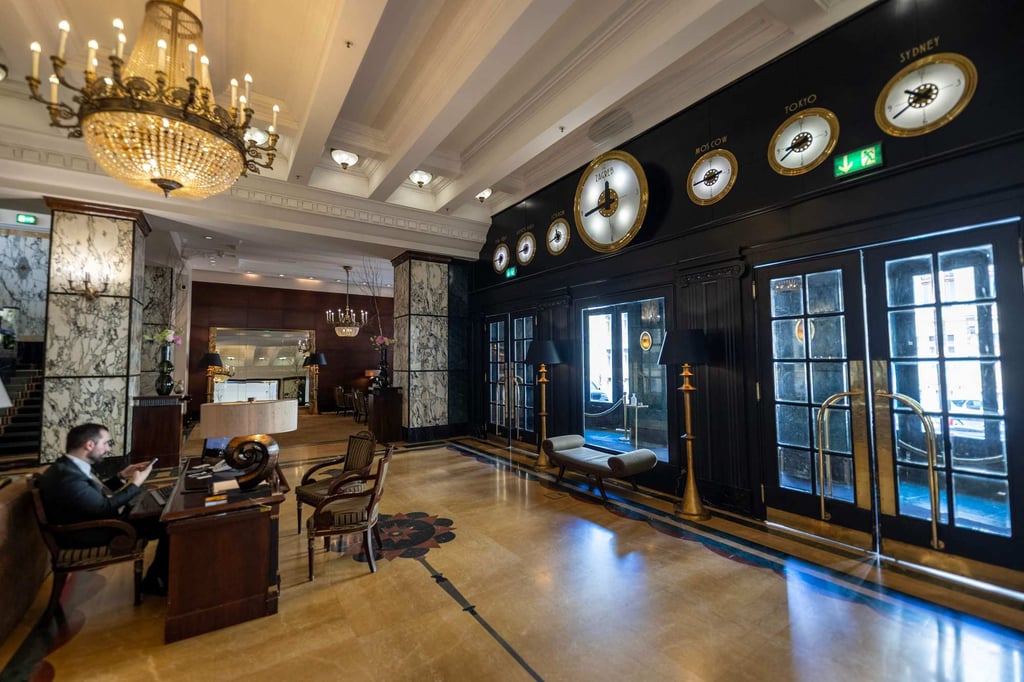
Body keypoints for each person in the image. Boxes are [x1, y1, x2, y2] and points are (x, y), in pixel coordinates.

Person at [36, 423, 169, 596]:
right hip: (88, 533)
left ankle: (156, 578)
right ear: (89, 445)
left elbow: (92, 495)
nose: (107, 449)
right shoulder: (68, 477)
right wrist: (136, 483)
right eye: (106, 443)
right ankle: (155, 582)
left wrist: (121, 477)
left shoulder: (68, 467)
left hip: (95, 522)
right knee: (167, 523)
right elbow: (104, 507)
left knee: (161, 515)